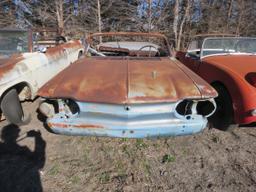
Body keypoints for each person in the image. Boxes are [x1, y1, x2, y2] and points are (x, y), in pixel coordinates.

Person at [0, 124, 46, 192]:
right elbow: (39, 163)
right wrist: (38, 137)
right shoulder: (23, 154)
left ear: (2, 136)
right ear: (17, 136)